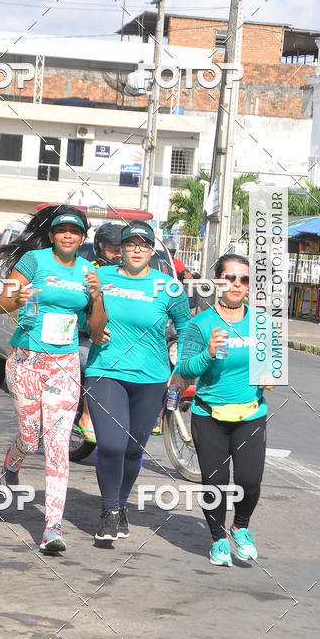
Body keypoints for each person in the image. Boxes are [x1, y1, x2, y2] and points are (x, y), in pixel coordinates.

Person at [0, 205, 106, 553]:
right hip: (26, 360)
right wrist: (17, 298)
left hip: (64, 364)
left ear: (82, 237)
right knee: (31, 439)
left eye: (75, 231)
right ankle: (12, 461)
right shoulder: (34, 261)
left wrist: (97, 296)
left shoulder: (89, 271)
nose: (68, 235)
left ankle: (52, 528)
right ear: (53, 235)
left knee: (57, 445)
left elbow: (96, 329)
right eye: (61, 230)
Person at [84, 221, 192, 542]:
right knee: (111, 445)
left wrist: (181, 368)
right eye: (130, 244)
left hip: (152, 378)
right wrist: (90, 328)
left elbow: (187, 328)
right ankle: (109, 511)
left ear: (152, 250)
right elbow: (80, 312)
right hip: (106, 371)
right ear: (121, 248)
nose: (136, 250)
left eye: (144, 244)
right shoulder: (101, 277)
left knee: (133, 450)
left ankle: (121, 505)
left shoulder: (168, 287)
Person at [175, 253, 273, 567]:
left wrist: (269, 374)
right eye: (230, 277)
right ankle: (218, 538)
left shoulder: (261, 322)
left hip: (251, 414)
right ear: (218, 282)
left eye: (244, 279)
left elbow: (270, 363)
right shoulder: (201, 323)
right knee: (215, 482)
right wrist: (208, 352)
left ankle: (240, 527)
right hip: (209, 415)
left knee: (250, 481)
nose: (237, 284)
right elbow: (184, 370)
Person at [75, 222, 123, 441]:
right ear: (100, 247)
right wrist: (91, 328)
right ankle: (86, 416)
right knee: (94, 361)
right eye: (113, 248)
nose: (118, 253)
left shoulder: (127, 273)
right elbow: (78, 306)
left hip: (117, 337)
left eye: (121, 248)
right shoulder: (89, 271)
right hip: (84, 336)